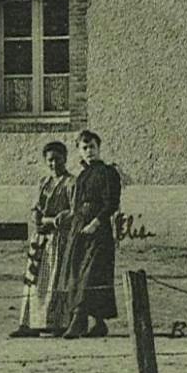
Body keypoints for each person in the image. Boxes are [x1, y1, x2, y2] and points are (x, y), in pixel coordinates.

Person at [55, 129, 121, 339]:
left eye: (92, 146)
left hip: (98, 231)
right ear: (80, 152)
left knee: (92, 274)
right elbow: (76, 204)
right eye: (84, 148)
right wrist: (69, 218)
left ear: (99, 148)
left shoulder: (108, 173)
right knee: (77, 273)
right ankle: (97, 323)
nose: (89, 151)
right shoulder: (83, 175)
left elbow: (111, 203)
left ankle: (80, 320)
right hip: (79, 228)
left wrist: (95, 223)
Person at [9, 141, 74, 337]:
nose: (54, 164)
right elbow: (36, 207)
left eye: (58, 159)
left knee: (54, 280)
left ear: (65, 158)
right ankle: (29, 324)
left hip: (58, 239)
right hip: (40, 238)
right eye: (50, 160)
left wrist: (53, 220)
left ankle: (55, 323)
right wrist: (36, 216)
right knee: (34, 281)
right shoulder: (44, 183)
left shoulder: (71, 182)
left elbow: (73, 211)